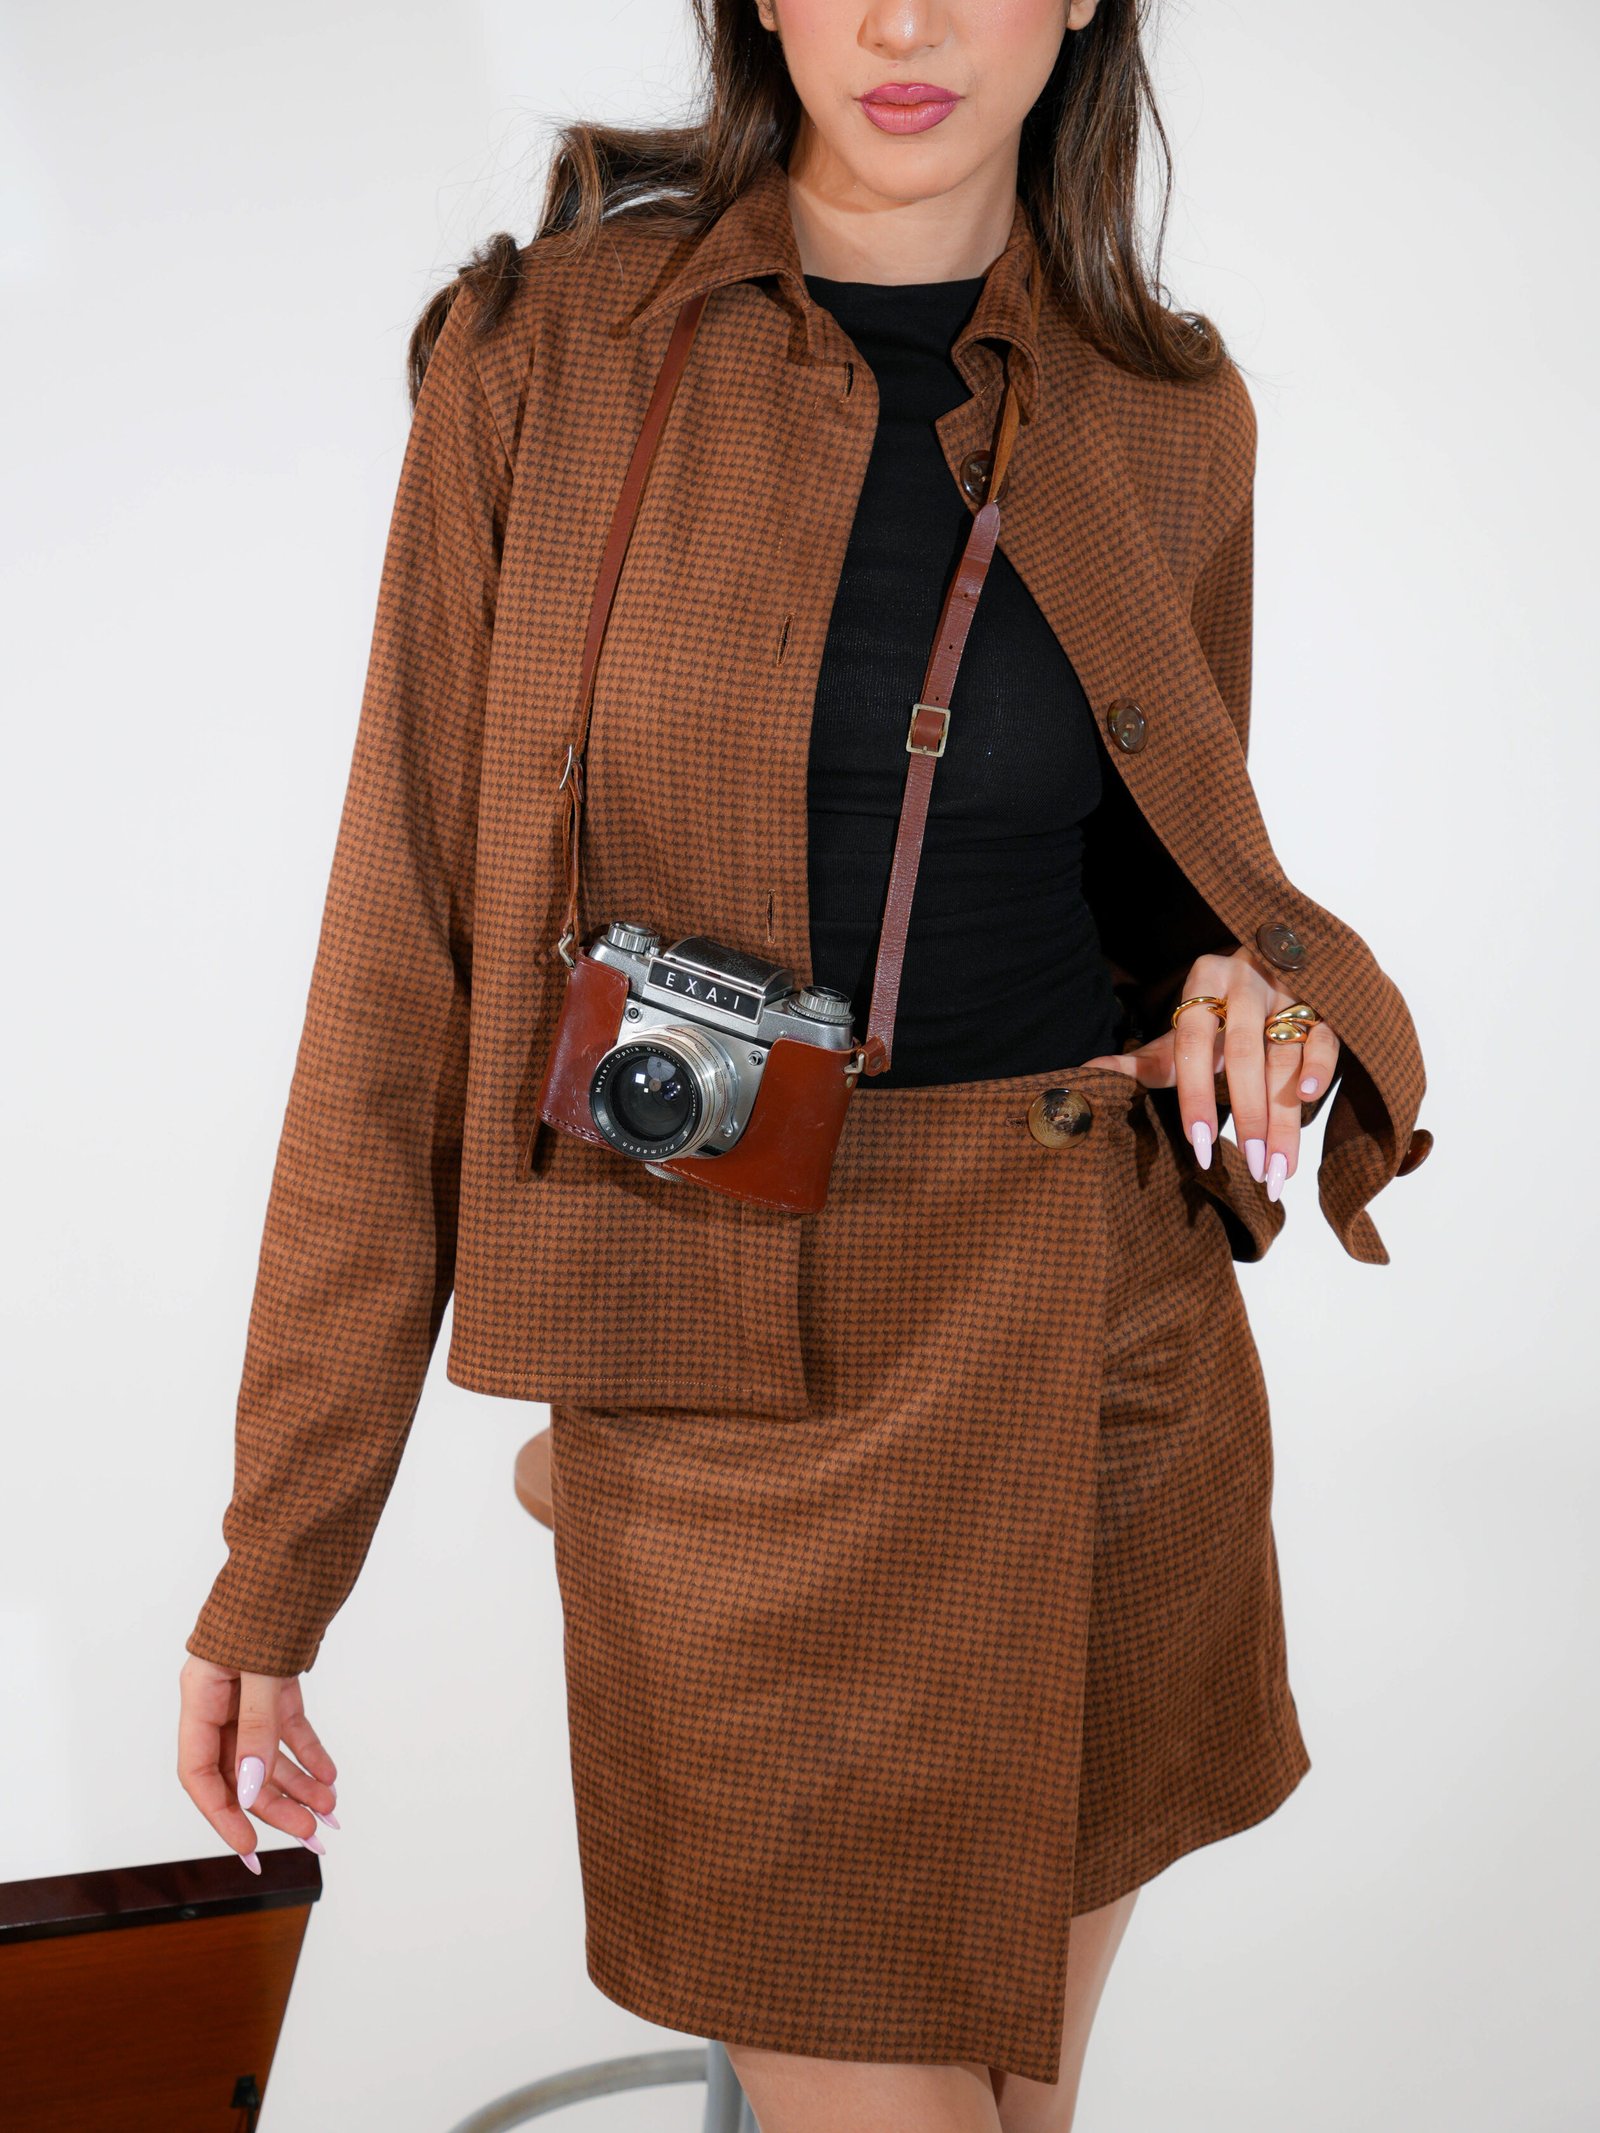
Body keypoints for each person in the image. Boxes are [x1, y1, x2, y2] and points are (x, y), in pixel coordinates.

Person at [177, 4, 1432, 2129]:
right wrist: (280, 1553)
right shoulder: (544, 359)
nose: (902, 21)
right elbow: (400, 961)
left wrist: (1254, 989)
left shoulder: (1164, 408)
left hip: (1094, 1361)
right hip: (713, 1375)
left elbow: (1179, 884)